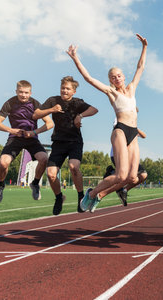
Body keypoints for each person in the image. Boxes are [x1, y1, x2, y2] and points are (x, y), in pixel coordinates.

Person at [67, 34, 147, 213]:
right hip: (120, 131)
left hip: (133, 132)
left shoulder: (132, 88)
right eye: (113, 77)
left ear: (123, 76)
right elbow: (89, 78)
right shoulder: (111, 92)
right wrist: (75, 58)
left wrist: (144, 47)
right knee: (121, 175)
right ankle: (92, 193)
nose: (116, 78)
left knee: (133, 177)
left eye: (119, 75)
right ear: (110, 81)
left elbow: (140, 67)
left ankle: (100, 194)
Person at [33, 76, 98, 215]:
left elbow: (94, 110)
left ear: (73, 91)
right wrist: (51, 110)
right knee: (51, 175)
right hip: (58, 142)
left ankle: (81, 197)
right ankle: (59, 198)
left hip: (74, 142)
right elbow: (36, 114)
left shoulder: (77, 102)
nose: (64, 90)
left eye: (68, 89)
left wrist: (80, 115)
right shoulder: (53, 100)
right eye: (63, 88)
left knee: (74, 167)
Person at [0, 80, 53, 203]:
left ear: (30, 93)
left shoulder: (36, 104)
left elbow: (50, 123)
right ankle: (0, 186)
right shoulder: (10, 103)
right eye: (21, 92)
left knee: (44, 158)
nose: (23, 95)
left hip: (31, 138)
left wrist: (34, 132)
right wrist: (11, 130)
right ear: (16, 91)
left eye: (26, 92)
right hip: (15, 138)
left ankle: (35, 184)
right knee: (3, 162)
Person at [103, 128, 148, 206]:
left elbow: (144, 136)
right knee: (124, 176)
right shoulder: (119, 121)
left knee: (142, 175)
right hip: (118, 154)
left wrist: (135, 128)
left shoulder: (132, 125)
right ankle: (112, 173)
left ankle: (123, 190)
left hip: (130, 157)